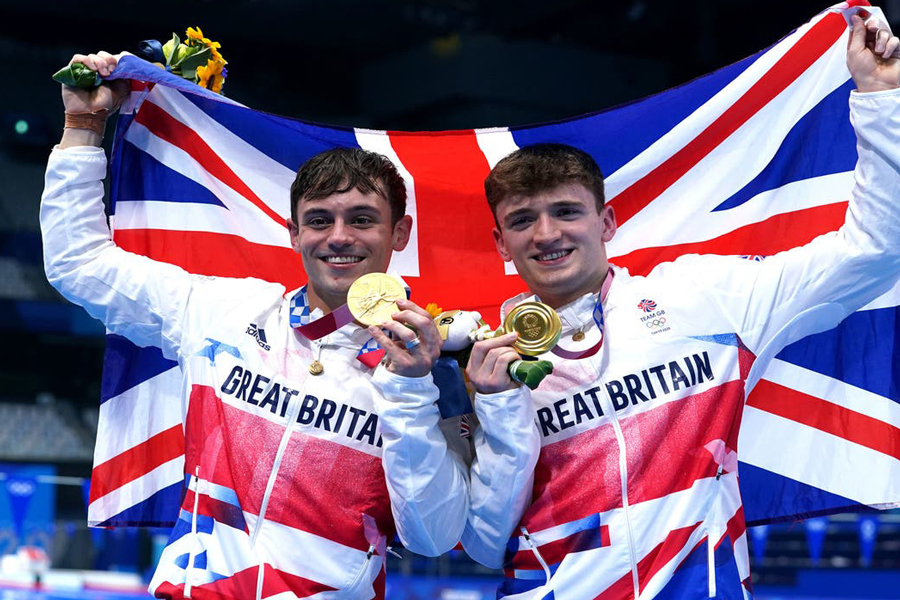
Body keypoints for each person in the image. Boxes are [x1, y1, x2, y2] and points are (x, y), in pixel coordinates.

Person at [461, 13, 900, 600]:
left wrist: (881, 99)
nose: (546, 234)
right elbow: (484, 541)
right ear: (501, 245)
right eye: (522, 221)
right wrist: (496, 406)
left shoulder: (703, 298)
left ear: (607, 222)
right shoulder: (489, 364)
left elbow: (873, 251)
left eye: (566, 212)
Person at [42, 51, 469, 600]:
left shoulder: (433, 369)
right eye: (319, 220)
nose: (339, 237)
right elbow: (79, 263)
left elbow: (433, 537)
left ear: (400, 233)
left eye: (362, 220)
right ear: (294, 233)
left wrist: (410, 390)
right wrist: (82, 124)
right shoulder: (222, 312)